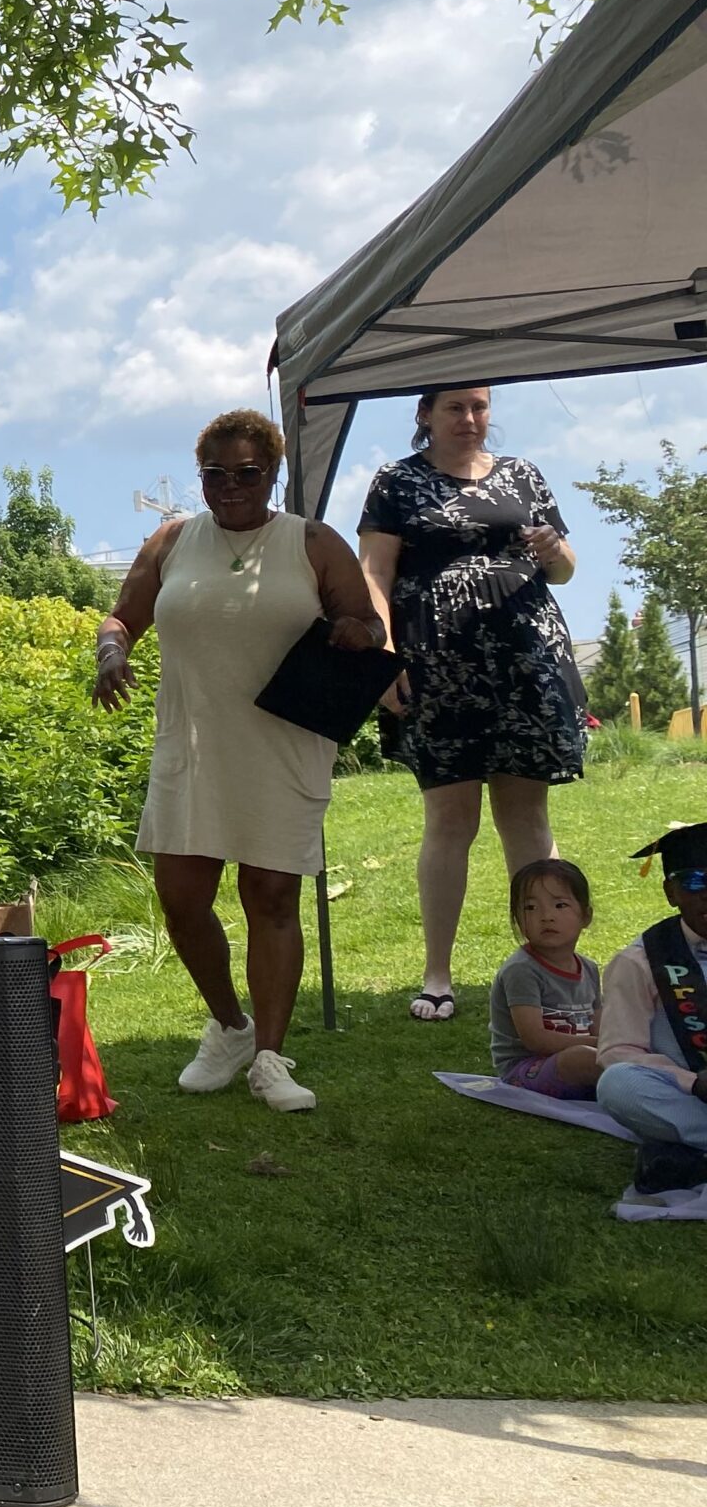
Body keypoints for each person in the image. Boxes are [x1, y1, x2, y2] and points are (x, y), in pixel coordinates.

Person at [93, 410, 382, 1114]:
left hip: (283, 741)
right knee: (182, 901)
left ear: (273, 473)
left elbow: (369, 622)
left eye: (247, 473)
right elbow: (122, 616)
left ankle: (272, 1060)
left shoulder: (311, 542)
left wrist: (353, 628)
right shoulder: (171, 541)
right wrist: (112, 653)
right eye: (215, 475)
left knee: (272, 899)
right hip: (193, 743)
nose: (230, 488)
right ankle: (229, 1027)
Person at [357, 386, 583, 1021]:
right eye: (455, 407)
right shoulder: (397, 482)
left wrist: (554, 550)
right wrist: (382, 658)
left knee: (528, 818)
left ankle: (551, 968)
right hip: (437, 668)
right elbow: (373, 573)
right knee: (450, 819)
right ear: (425, 415)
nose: (471, 419)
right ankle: (437, 975)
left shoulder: (523, 475)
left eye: (480, 406)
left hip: (525, 664)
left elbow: (565, 569)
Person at [593, 824, 707, 1205]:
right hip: (691, 1093)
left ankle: (686, 1158)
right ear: (670, 893)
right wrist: (692, 1082)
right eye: (694, 882)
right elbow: (619, 1051)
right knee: (618, 1084)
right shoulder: (642, 960)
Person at [486, 858, 602, 1099]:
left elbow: (600, 1027)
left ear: (586, 916)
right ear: (517, 920)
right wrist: (603, 1045)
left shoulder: (589, 968)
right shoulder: (521, 970)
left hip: (583, 1056)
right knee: (583, 1059)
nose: (546, 916)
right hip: (526, 1070)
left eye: (560, 905)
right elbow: (535, 1040)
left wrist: (612, 1043)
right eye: (530, 908)